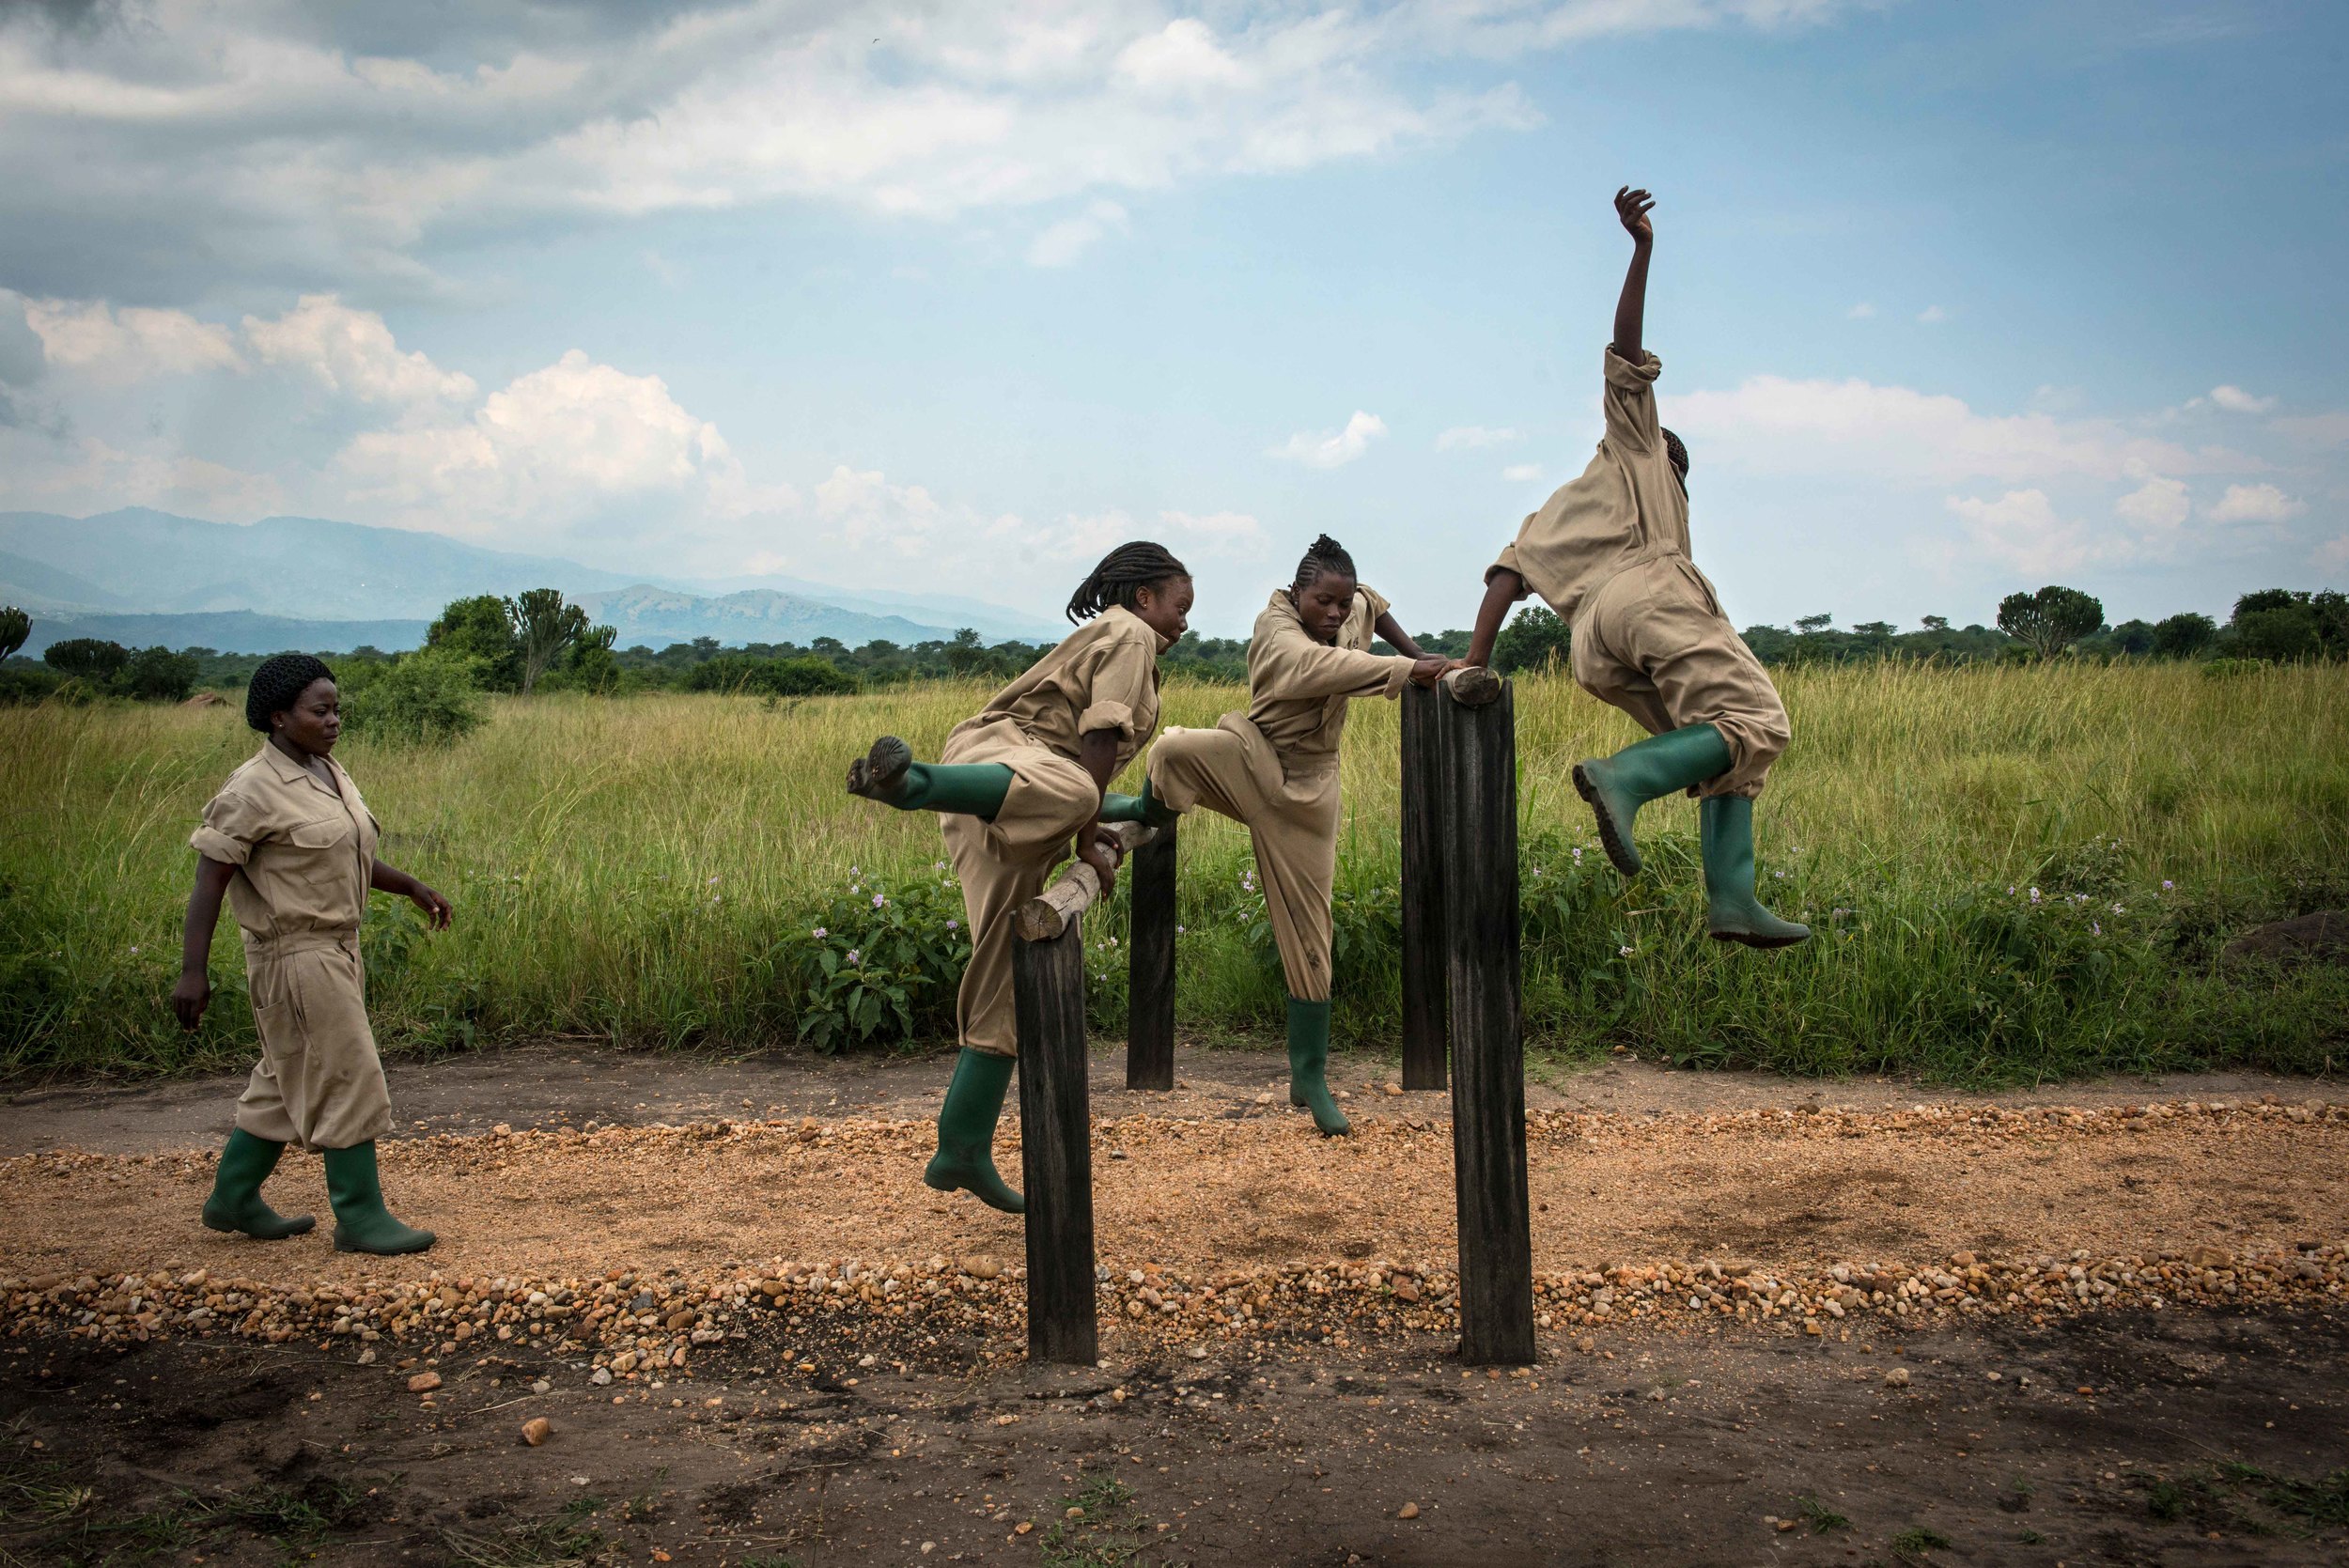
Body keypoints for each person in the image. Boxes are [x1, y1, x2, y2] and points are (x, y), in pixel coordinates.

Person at [1464, 186, 1807, 948]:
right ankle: (1622, 779)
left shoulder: (1566, 505)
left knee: (1727, 747)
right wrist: (1642, 250)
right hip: (1647, 594)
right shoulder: (1642, 446)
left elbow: (1507, 574)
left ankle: (1733, 900)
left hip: (1593, 645)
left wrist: (1474, 662)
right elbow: (1626, 355)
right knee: (1760, 719)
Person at [847, 542, 1193, 1213]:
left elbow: (1085, 780)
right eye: (1179, 606)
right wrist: (1089, 825)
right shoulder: (1130, 633)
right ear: (1145, 598)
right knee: (1073, 793)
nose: (1184, 622)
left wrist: (1115, 815)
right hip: (1017, 768)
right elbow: (1095, 743)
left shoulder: (1122, 641)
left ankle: (961, 1148)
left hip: (1009, 799)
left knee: (1006, 968)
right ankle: (912, 785)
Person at [1103, 536, 1453, 1136]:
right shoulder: (1276, 628)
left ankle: (1308, 1076)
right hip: (1250, 760)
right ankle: (1144, 811)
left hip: (1311, 788)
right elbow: (1316, 669)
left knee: (1311, 930)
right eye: (1323, 602)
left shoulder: (1350, 606)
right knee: (1177, 750)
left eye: (1340, 605)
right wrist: (1407, 669)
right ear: (1298, 594)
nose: (1336, 615)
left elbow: (1372, 602)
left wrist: (1423, 656)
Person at [173, 654, 451, 1254]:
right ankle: (359, 1216)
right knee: (348, 1071)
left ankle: (233, 1198)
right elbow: (209, 882)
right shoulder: (251, 789)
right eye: (318, 710)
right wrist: (192, 972)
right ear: (278, 717)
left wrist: (409, 886)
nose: (333, 721)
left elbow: (341, 854)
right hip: (293, 955)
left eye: (336, 709)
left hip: (337, 948)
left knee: (285, 1076)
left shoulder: (327, 771)